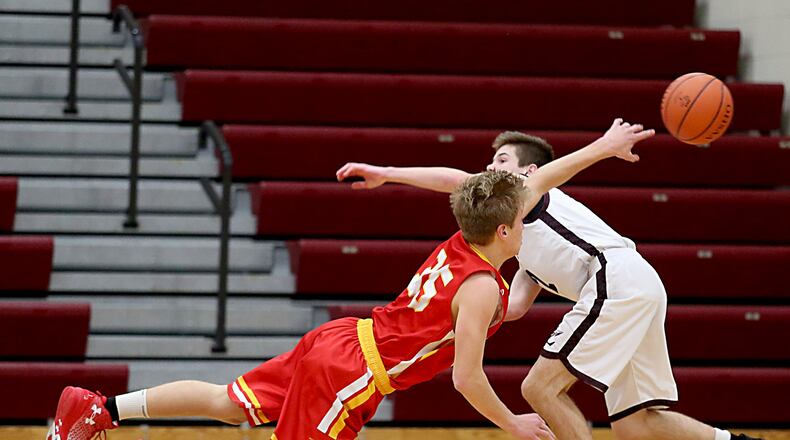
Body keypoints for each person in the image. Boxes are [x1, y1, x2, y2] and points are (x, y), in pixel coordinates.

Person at [45, 119, 651, 440]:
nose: (529, 212)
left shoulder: (468, 240)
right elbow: (467, 378)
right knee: (234, 408)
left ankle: (99, 409)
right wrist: (513, 422)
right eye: (523, 216)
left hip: (338, 341)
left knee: (231, 404)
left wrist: (600, 147)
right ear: (507, 229)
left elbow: (505, 190)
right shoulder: (480, 288)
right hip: (352, 374)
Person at [336, 120, 761, 440]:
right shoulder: (519, 241)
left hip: (617, 279)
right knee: (636, 425)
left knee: (539, 387)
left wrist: (387, 172)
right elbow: (515, 307)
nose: (488, 168)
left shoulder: (529, 193)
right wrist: (455, 315)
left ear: (527, 172)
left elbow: (457, 180)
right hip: (636, 288)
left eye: (501, 160)